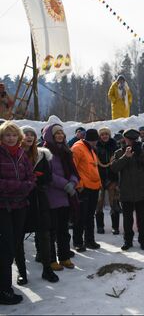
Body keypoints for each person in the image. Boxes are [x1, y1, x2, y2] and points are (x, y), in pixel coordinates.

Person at [17, 126, 59, 284]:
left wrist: (36, 178)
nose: (29, 137)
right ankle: (22, 272)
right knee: (18, 237)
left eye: (32, 135)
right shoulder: (15, 155)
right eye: (26, 134)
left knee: (44, 235)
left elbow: (48, 178)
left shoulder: (42, 155)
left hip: (39, 199)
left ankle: (47, 269)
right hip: (20, 200)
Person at [0, 121, 35, 305]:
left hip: (20, 206)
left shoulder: (22, 154)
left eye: (14, 135)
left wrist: (24, 187)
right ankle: (4, 290)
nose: (11, 138)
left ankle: (6, 286)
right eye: (7, 135)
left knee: (14, 245)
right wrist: (20, 187)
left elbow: (31, 179)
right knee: (5, 248)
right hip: (3, 207)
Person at [42, 123, 79, 272]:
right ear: (50, 135)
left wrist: (73, 182)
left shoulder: (66, 151)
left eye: (61, 133)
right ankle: (51, 259)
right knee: (51, 230)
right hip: (52, 196)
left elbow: (74, 170)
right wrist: (66, 184)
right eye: (56, 133)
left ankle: (64, 257)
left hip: (66, 196)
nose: (60, 135)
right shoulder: (44, 152)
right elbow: (48, 175)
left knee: (63, 229)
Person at [110, 129, 144, 251]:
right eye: (129, 139)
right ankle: (127, 241)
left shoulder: (142, 150)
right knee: (127, 219)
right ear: (125, 139)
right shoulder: (119, 152)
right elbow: (113, 168)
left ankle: (143, 241)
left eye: (134, 140)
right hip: (126, 190)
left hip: (142, 190)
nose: (131, 142)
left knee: (142, 218)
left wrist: (140, 153)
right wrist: (125, 157)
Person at [71, 129, 102, 252]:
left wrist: (99, 184)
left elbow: (93, 168)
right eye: (93, 141)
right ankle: (78, 242)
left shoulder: (90, 149)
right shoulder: (78, 148)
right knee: (80, 216)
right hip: (83, 188)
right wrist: (79, 185)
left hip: (94, 187)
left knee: (89, 216)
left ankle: (90, 240)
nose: (95, 143)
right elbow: (73, 168)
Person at [95, 127, 121, 235]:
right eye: (102, 135)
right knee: (99, 204)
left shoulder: (115, 146)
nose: (104, 136)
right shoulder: (95, 147)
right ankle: (100, 226)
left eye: (106, 134)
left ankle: (115, 227)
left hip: (112, 178)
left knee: (114, 202)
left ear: (109, 135)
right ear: (99, 136)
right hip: (99, 179)